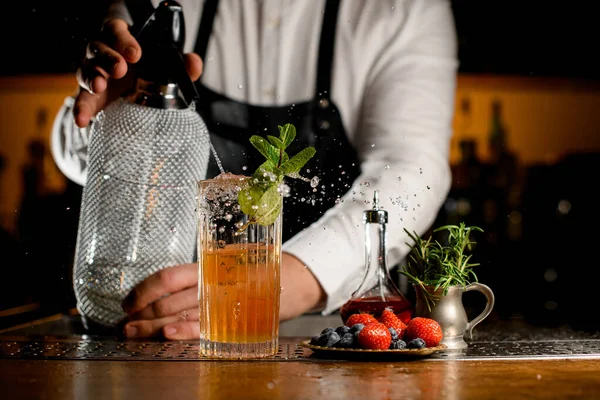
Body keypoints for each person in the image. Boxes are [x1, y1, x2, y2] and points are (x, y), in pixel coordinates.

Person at [51, 0, 458, 340]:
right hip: (176, 324)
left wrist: (284, 283)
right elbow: (79, 162)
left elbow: (411, 172)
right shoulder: (155, 6)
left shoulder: (404, 7)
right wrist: (113, 119)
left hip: (338, 334)